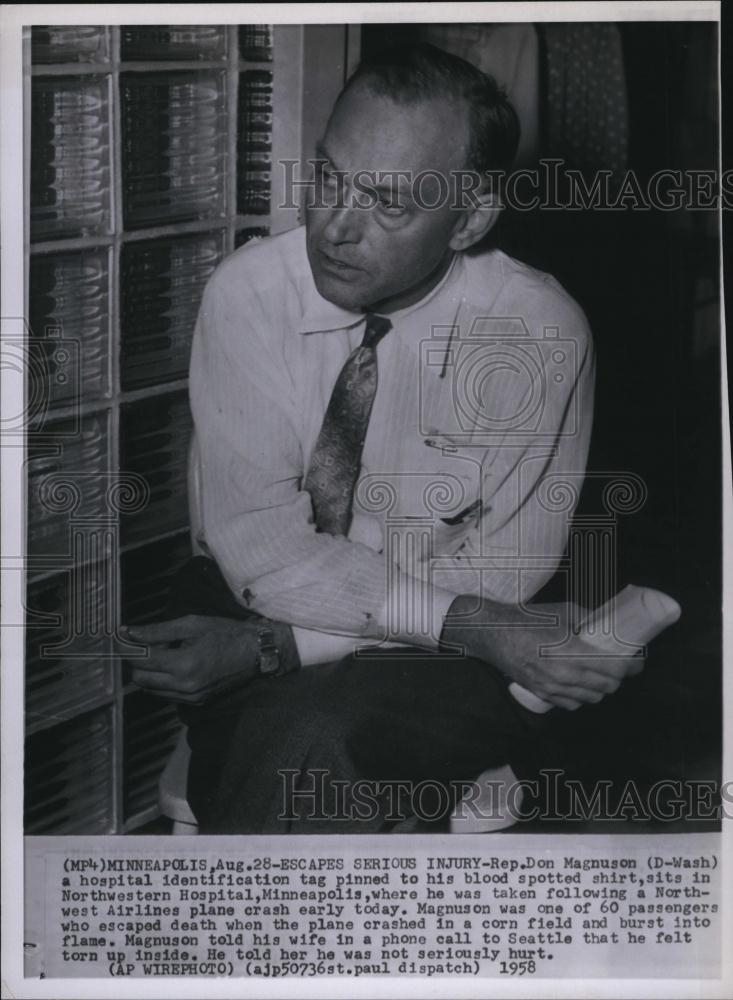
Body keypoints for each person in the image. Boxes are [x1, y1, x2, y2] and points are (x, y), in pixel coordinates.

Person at [124, 43, 643, 833]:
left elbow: (504, 583)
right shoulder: (249, 294)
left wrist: (273, 650)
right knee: (300, 749)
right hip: (253, 596)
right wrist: (449, 621)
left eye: (388, 205)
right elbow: (261, 557)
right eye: (328, 178)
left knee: (298, 740)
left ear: (467, 219)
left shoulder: (535, 332)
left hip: (445, 644)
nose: (334, 227)